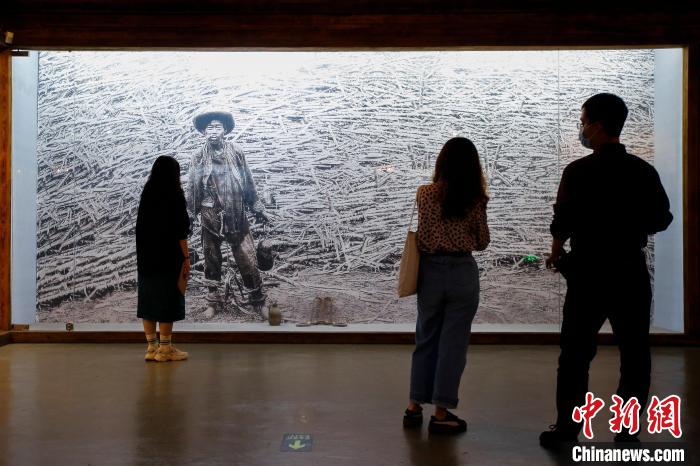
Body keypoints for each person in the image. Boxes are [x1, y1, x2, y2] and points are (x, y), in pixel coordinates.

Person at [540, 93, 673, 448]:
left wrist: (557, 252)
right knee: (635, 355)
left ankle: (567, 430)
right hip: (630, 271)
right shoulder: (643, 171)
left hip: (587, 273)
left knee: (575, 355)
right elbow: (662, 219)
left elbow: (562, 221)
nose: (581, 128)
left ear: (597, 126)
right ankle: (627, 433)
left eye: (583, 121)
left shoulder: (578, 171)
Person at [403, 137, 490, 435]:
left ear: (441, 161)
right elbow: (482, 242)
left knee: (426, 337)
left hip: (431, 272)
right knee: (453, 345)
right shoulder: (476, 199)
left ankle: (414, 407)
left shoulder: (425, 194)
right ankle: (441, 413)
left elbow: (424, 237)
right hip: (462, 273)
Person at [187, 110, 269, 320]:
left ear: (224, 130)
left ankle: (258, 301)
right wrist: (189, 213)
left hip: (236, 214)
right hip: (210, 216)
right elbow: (193, 188)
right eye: (209, 128)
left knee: (248, 259)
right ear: (203, 132)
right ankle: (213, 302)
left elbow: (248, 181)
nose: (213, 131)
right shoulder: (198, 157)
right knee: (211, 260)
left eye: (217, 127)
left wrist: (257, 207)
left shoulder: (237, 152)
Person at [136, 155, 191, 362]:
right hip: (168, 258)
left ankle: (152, 348)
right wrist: (186, 257)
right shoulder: (174, 196)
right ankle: (165, 350)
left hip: (146, 258)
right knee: (168, 299)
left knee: (148, 301)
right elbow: (180, 231)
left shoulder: (147, 194)